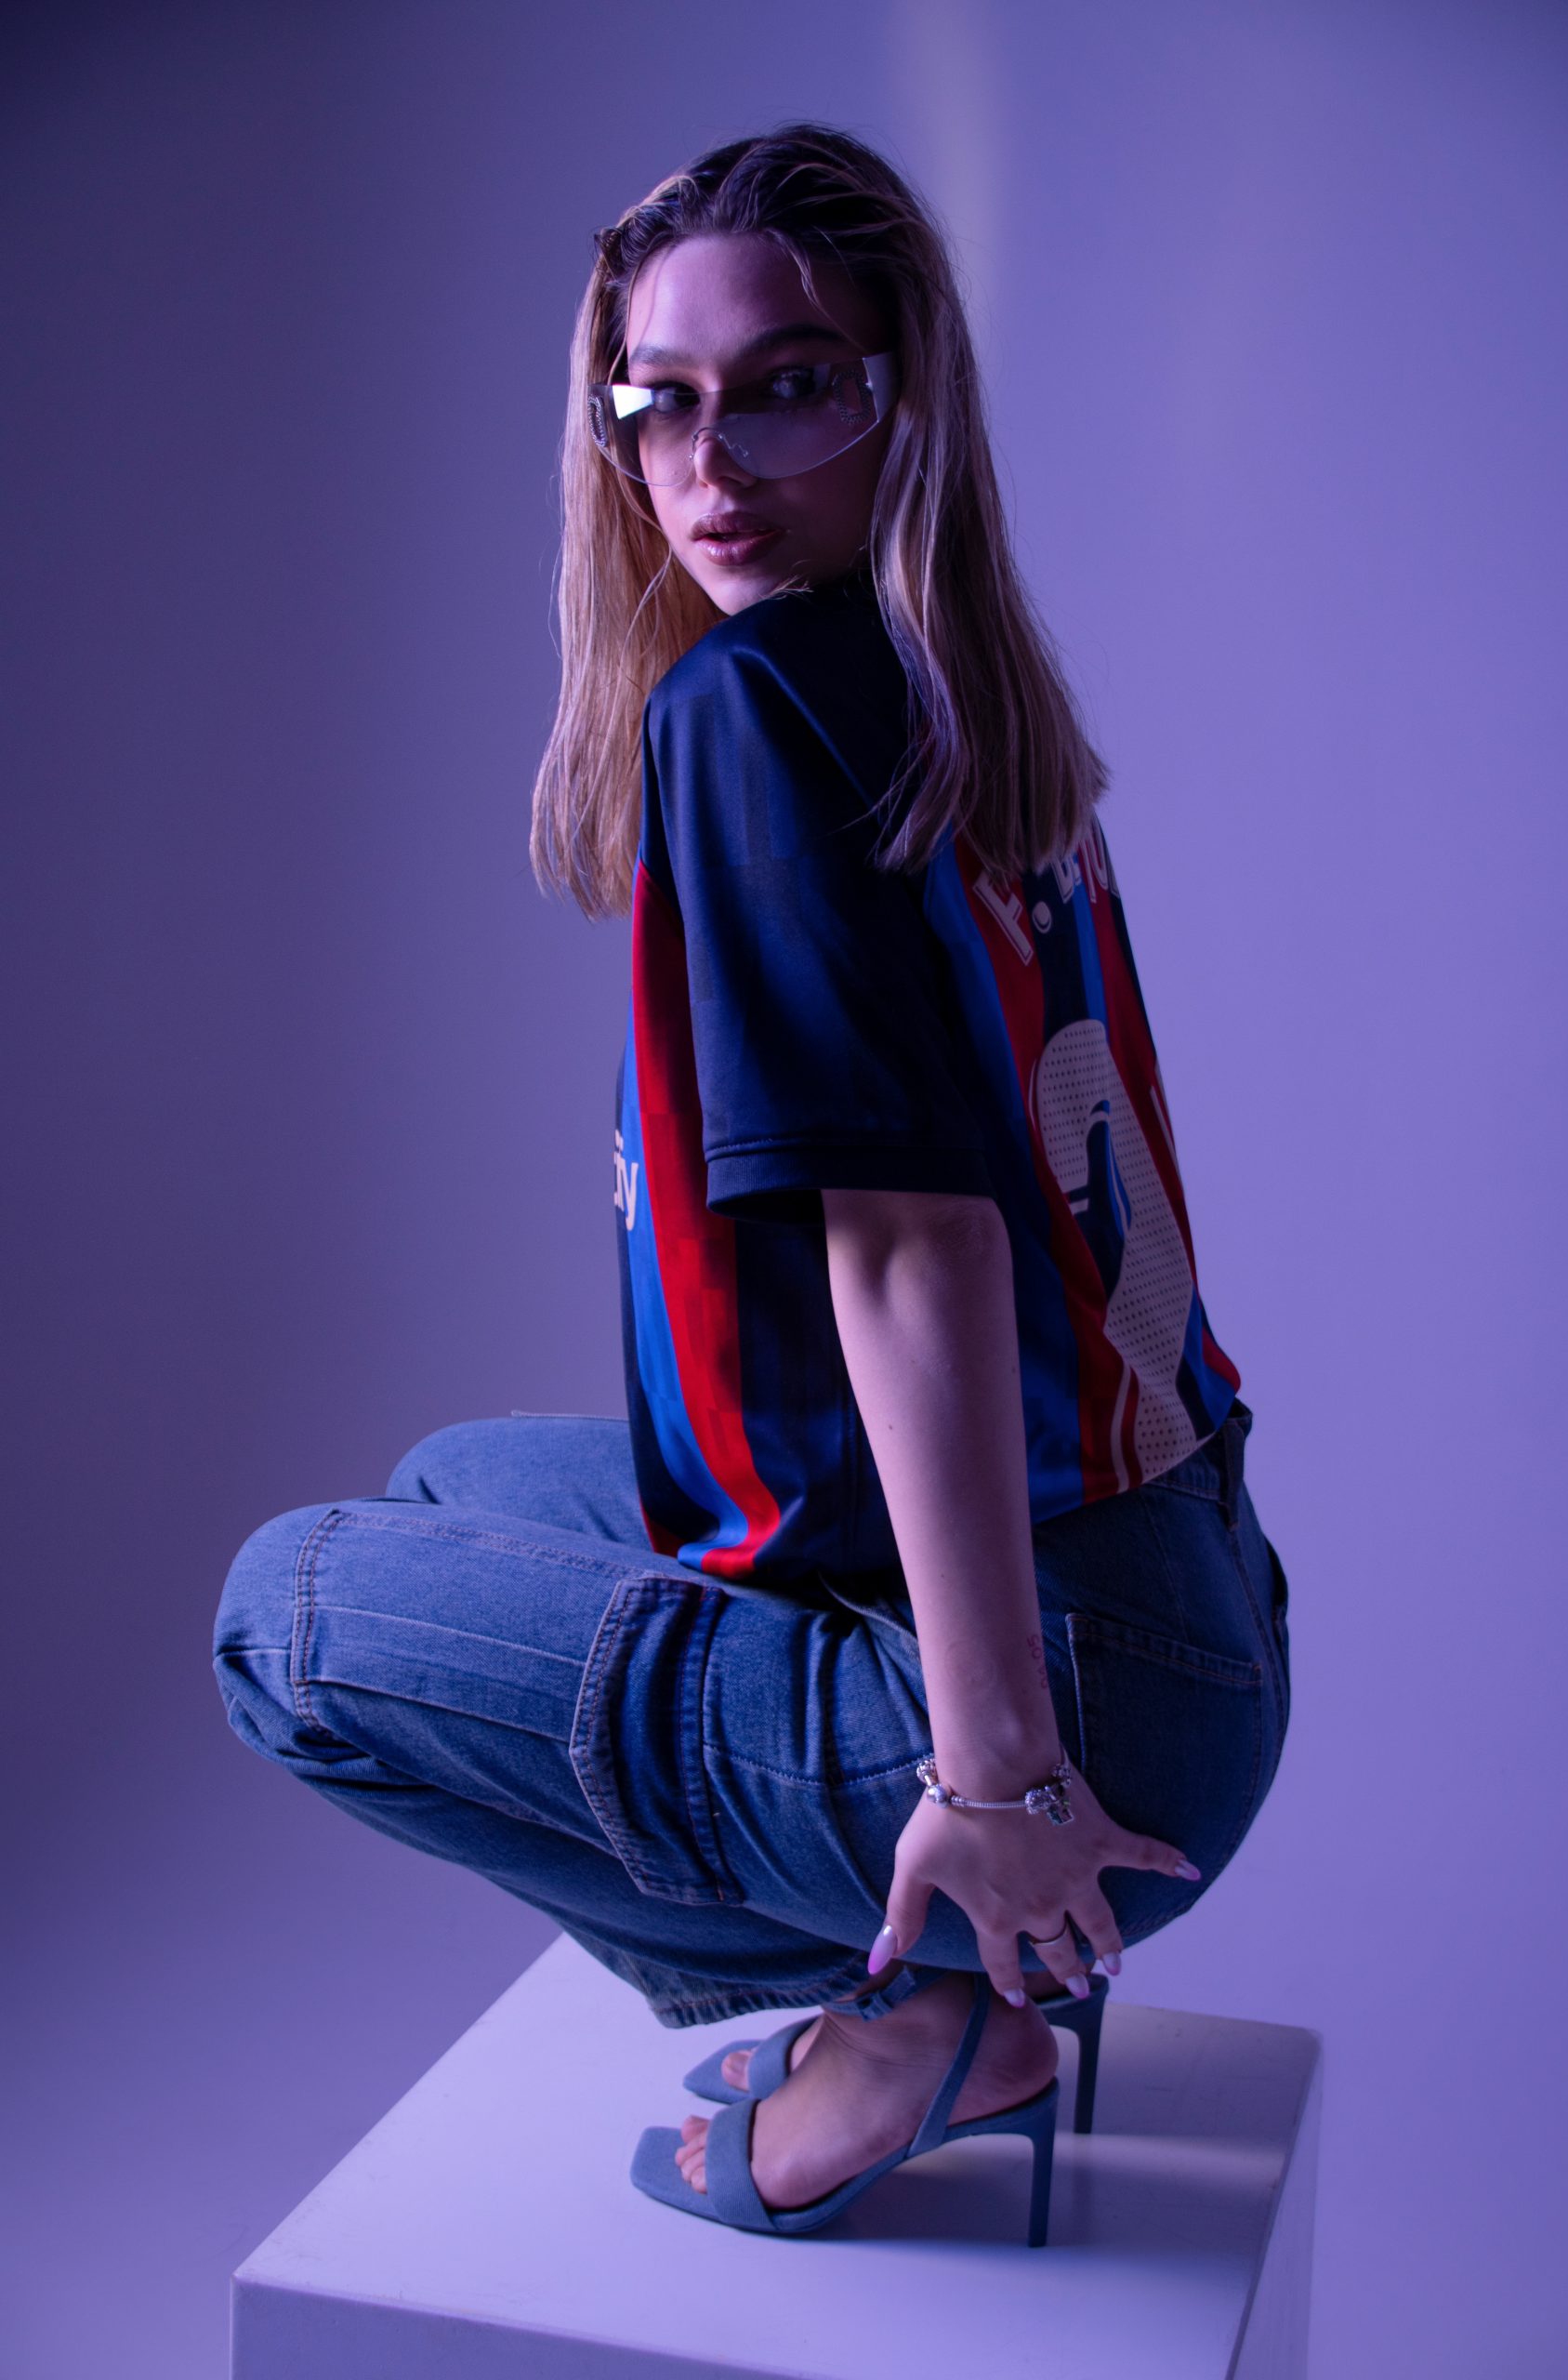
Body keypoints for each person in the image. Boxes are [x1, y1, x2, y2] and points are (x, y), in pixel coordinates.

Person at [212, 121, 1291, 2245]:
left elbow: (911, 1249)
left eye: (788, 387)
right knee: (446, 1488)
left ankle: (921, 2003)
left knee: (281, 1618)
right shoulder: (943, 688)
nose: (707, 467)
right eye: (657, 401)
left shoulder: (755, 703)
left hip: (1067, 1713)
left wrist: (991, 1772)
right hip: (1191, 1611)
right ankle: (926, 1930)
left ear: (902, 402)